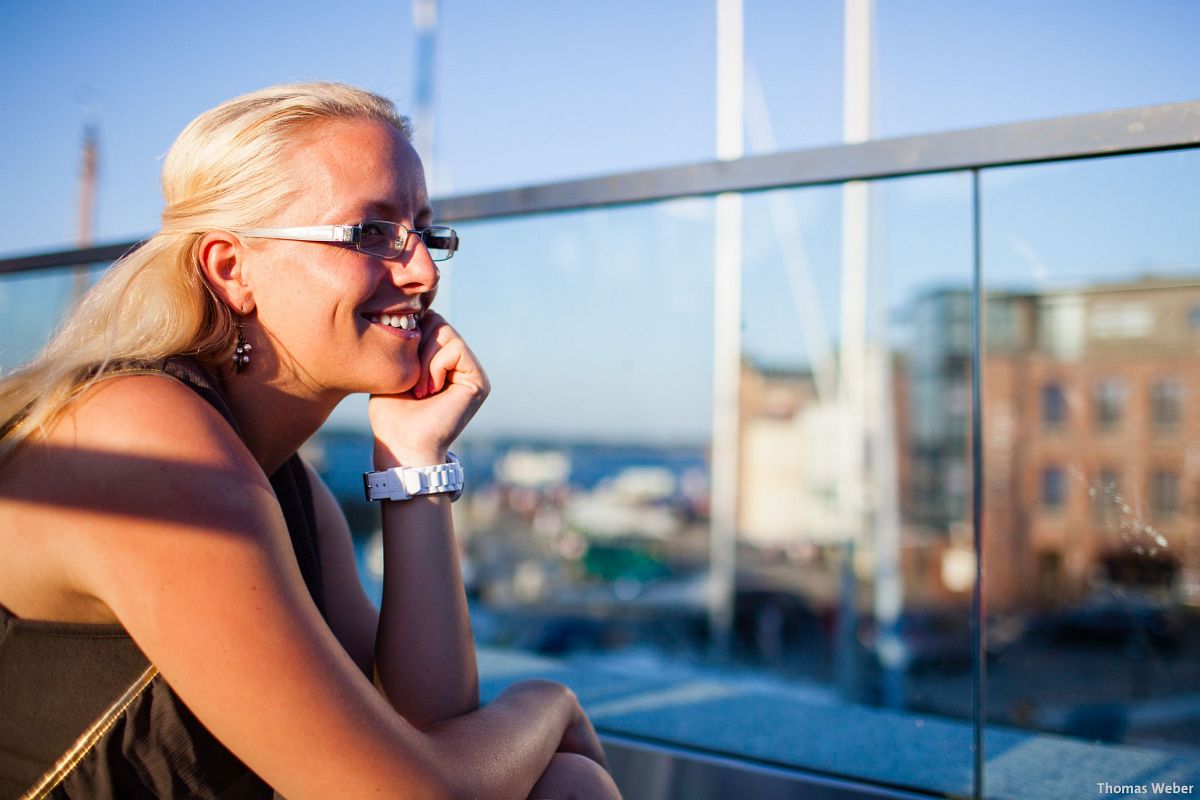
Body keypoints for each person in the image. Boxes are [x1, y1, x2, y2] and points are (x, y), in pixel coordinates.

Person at [0, 83, 620, 800]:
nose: (422, 273)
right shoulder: (145, 440)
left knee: (566, 782)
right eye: (371, 234)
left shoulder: (285, 483)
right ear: (232, 270)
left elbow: (427, 726)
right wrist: (552, 703)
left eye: (424, 232)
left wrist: (413, 462)